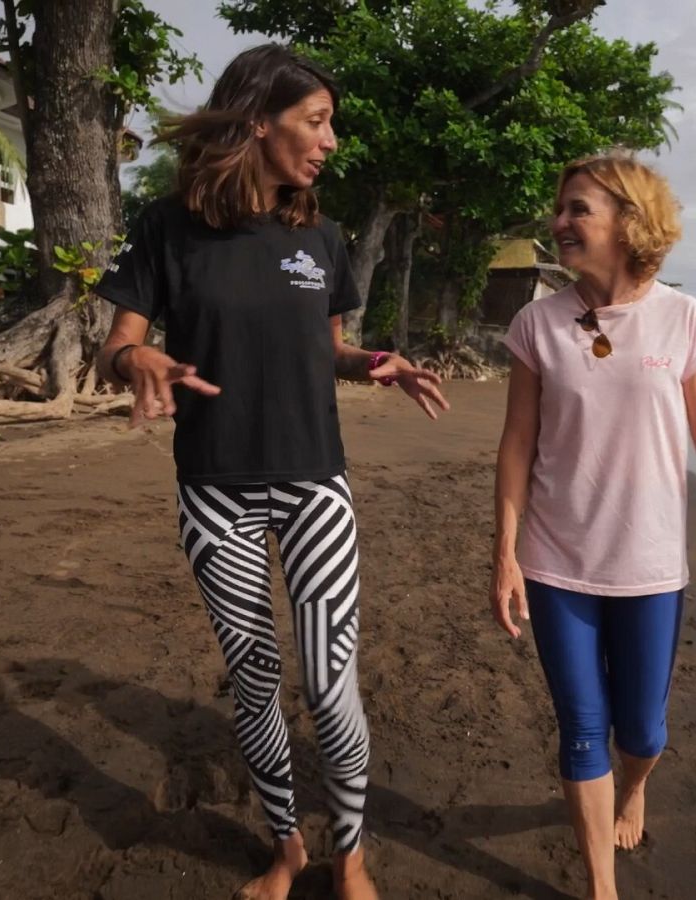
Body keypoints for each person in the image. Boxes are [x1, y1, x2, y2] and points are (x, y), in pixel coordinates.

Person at [93, 44, 447, 900]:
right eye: (316, 122)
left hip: (313, 482)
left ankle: (351, 853)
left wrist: (373, 364)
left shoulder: (318, 236)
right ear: (260, 121)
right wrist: (140, 361)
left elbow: (327, 352)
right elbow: (118, 347)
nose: (329, 142)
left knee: (329, 685)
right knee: (253, 679)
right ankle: (286, 847)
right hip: (214, 488)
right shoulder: (165, 225)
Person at [491, 154, 696, 900]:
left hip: (649, 567)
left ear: (629, 222)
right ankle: (601, 888)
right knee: (582, 725)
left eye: (579, 210)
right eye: (561, 209)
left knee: (641, 731)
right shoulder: (536, 323)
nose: (561, 222)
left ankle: (634, 787)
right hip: (555, 561)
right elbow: (516, 443)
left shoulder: (684, 317)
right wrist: (505, 553)